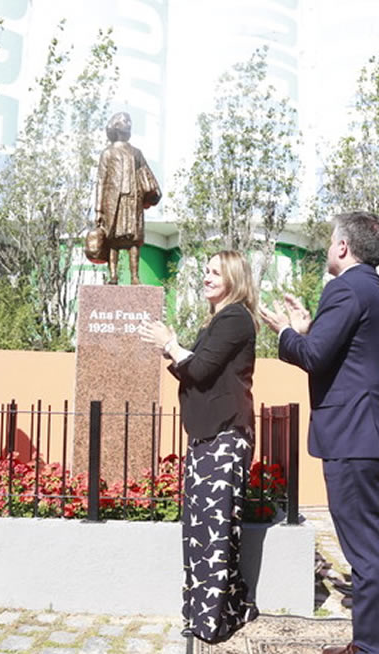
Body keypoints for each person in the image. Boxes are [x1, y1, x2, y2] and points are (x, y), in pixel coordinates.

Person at [260, 212, 379, 654]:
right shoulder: (371, 289)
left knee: (364, 548)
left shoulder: (345, 288)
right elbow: (334, 351)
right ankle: (378, 641)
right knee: (370, 541)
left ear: (343, 247)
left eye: (329, 242)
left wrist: (286, 333)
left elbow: (313, 356)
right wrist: (306, 330)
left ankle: (372, 647)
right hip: (371, 431)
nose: (328, 248)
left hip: (355, 434)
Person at [139, 250, 259, 644]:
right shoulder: (218, 321)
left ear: (233, 279)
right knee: (201, 531)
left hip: (224, 437)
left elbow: (202, 370)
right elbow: (194, 371)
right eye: (205, 271)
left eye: (214, 272)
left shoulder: (235, 318)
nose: (206, 278)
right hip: (207, 435)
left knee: (214, 532)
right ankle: (218, 610)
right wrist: (175, 354)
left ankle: (213, 622)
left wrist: (171, 344)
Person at [94, 111, 161, 285]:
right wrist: (98, 209)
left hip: (132, 199)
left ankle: (135, 276)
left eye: (129, 120)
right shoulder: (107, 153)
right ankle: (113, 276)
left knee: (134, 239)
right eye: (124, 121)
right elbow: (100, 182)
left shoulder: (136, 153)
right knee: (112, 239)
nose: (128, 123)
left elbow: (146, 174)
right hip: (112, 201)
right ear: (115, 126)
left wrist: (151, 192)